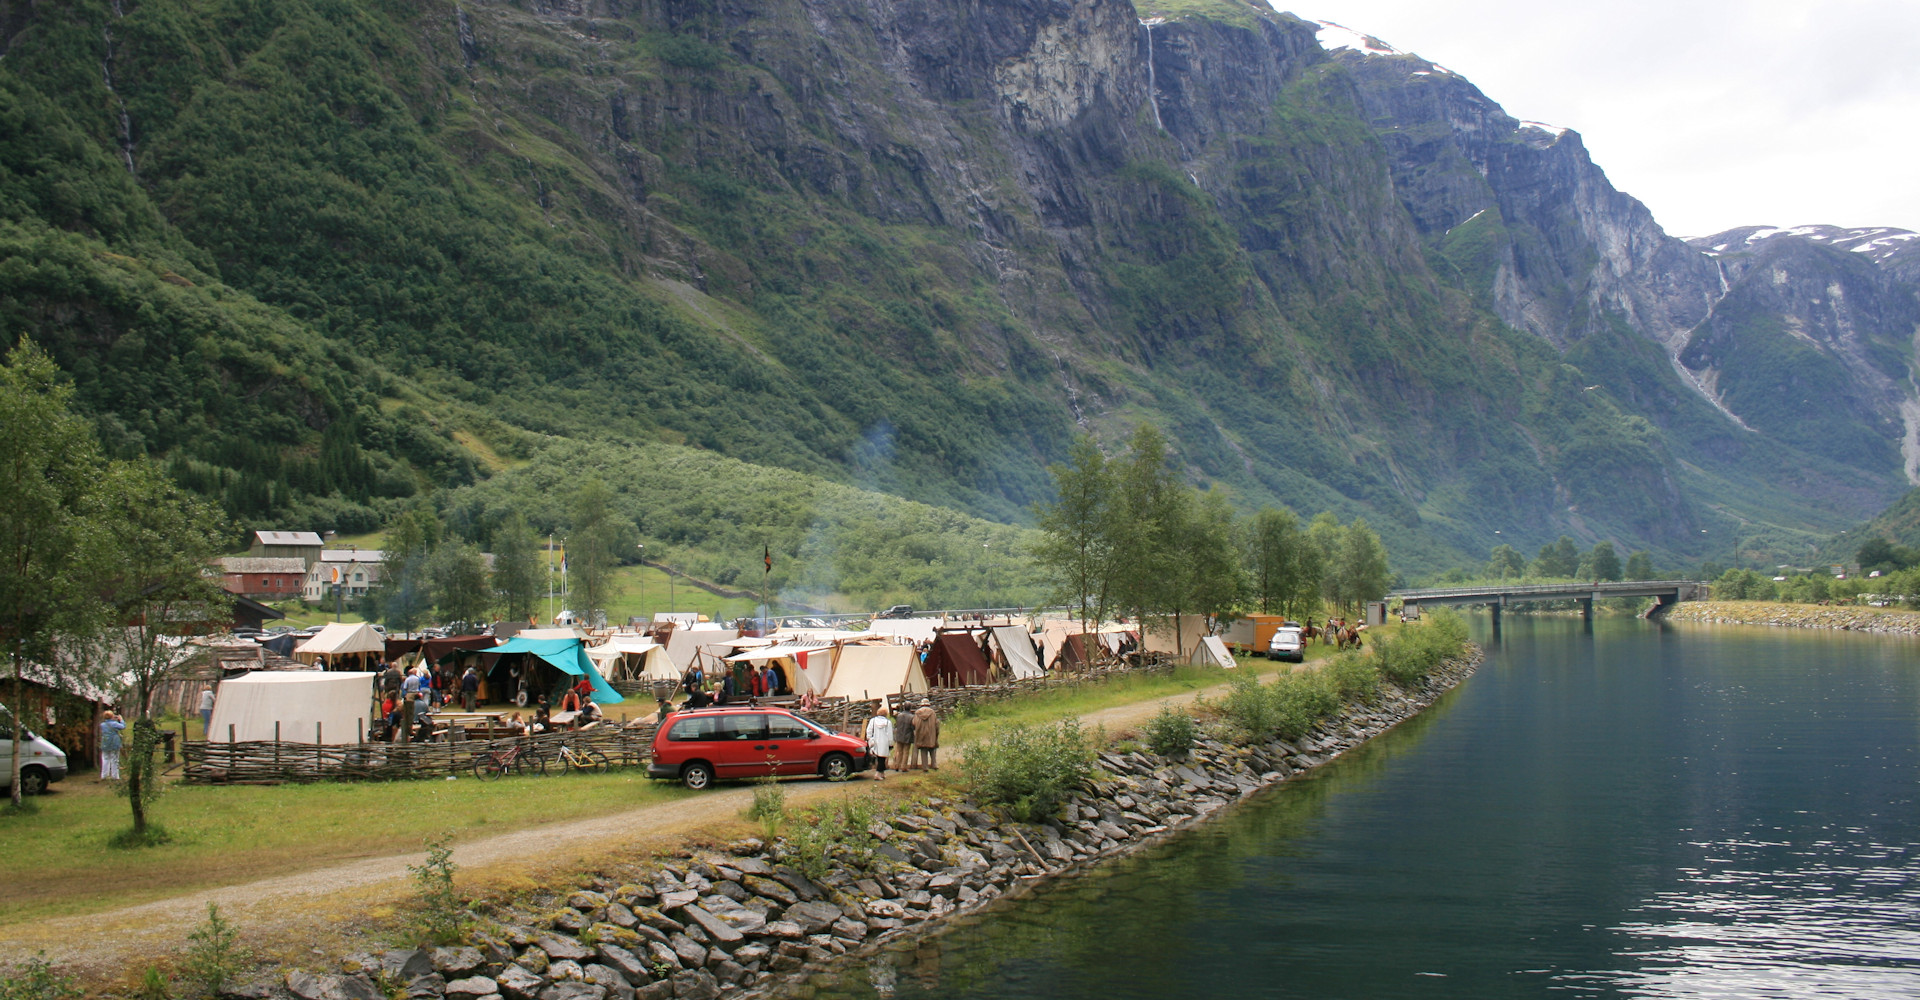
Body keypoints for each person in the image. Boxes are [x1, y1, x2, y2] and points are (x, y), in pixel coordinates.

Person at [864, 706, 894, 781]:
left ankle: (882, 773)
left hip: (875, 741)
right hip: (884, 742)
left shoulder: (873, 721)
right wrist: (890, 743)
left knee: (878, 757)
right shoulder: (888, 722)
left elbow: (869, 730)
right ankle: (877, 774)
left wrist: (869, 738)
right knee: (882, 758)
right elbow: (889, 734)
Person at [912, 702, 940, 771]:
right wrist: (936, 733)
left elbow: (914, 723)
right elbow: (936, 723)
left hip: (921, 734)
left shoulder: (917, 713)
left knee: (923, 750)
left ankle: (925, 767)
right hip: (931, 733)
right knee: (932, 749)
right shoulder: (932, 712)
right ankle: (934, 764)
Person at [99, 711, 127, 780]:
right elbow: (123, 726)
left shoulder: (102, 725)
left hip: (105, 743)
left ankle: (104, 775)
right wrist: (121, 720)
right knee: (114, 759)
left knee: (105, 759)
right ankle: (115, 776)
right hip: (114, 743)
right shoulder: (114, 724)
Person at [891, 702, 916, 772]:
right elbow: (913, 727)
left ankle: (896, 765)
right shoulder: (912, 717)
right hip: (907, 736)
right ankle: (903, 767)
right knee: (906, 752)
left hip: (899, 735)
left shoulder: (899, 716)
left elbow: (896, 725)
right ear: (910, 708)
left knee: (899, 751)